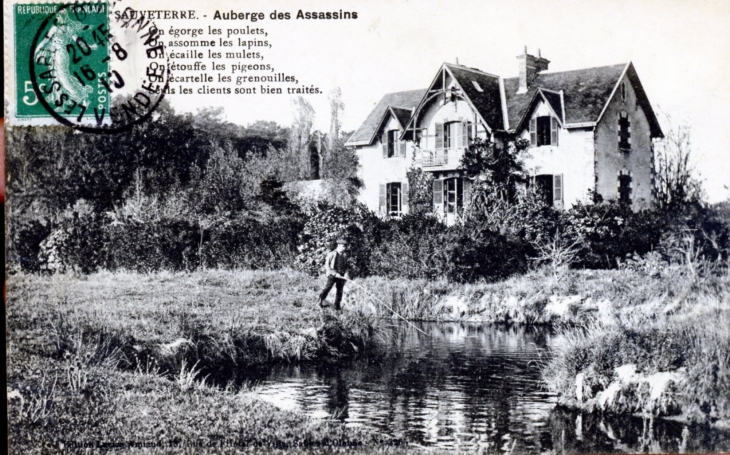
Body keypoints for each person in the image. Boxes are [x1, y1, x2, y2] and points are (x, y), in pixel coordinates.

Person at [318, 239, 350, 310]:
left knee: (340, 291)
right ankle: (320, 301)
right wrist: (335, 274)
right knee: (328, 288)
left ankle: (337, 306)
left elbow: (347, 267)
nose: (344, 248)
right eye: (343, 246)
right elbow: (327, 266)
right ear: (338, 246)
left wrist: (346, 274)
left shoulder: (345, 255)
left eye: (345, 246)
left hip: (341, 276)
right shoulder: (332, 254)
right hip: (332, 275)